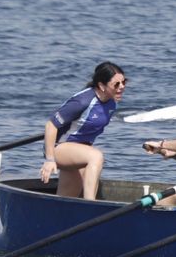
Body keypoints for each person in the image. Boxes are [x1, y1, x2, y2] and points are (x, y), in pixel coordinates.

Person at [40, 62, 126, 200]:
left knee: (67, 199)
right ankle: (91, 204)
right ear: (101, 86)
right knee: (96, 156)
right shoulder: (82, 102)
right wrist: (50, 160)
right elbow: (51, 125)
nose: (121, 87)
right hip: (58, 148)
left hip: (79, 150)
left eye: (124, 82)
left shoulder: (111, 102)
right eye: (116, 84)